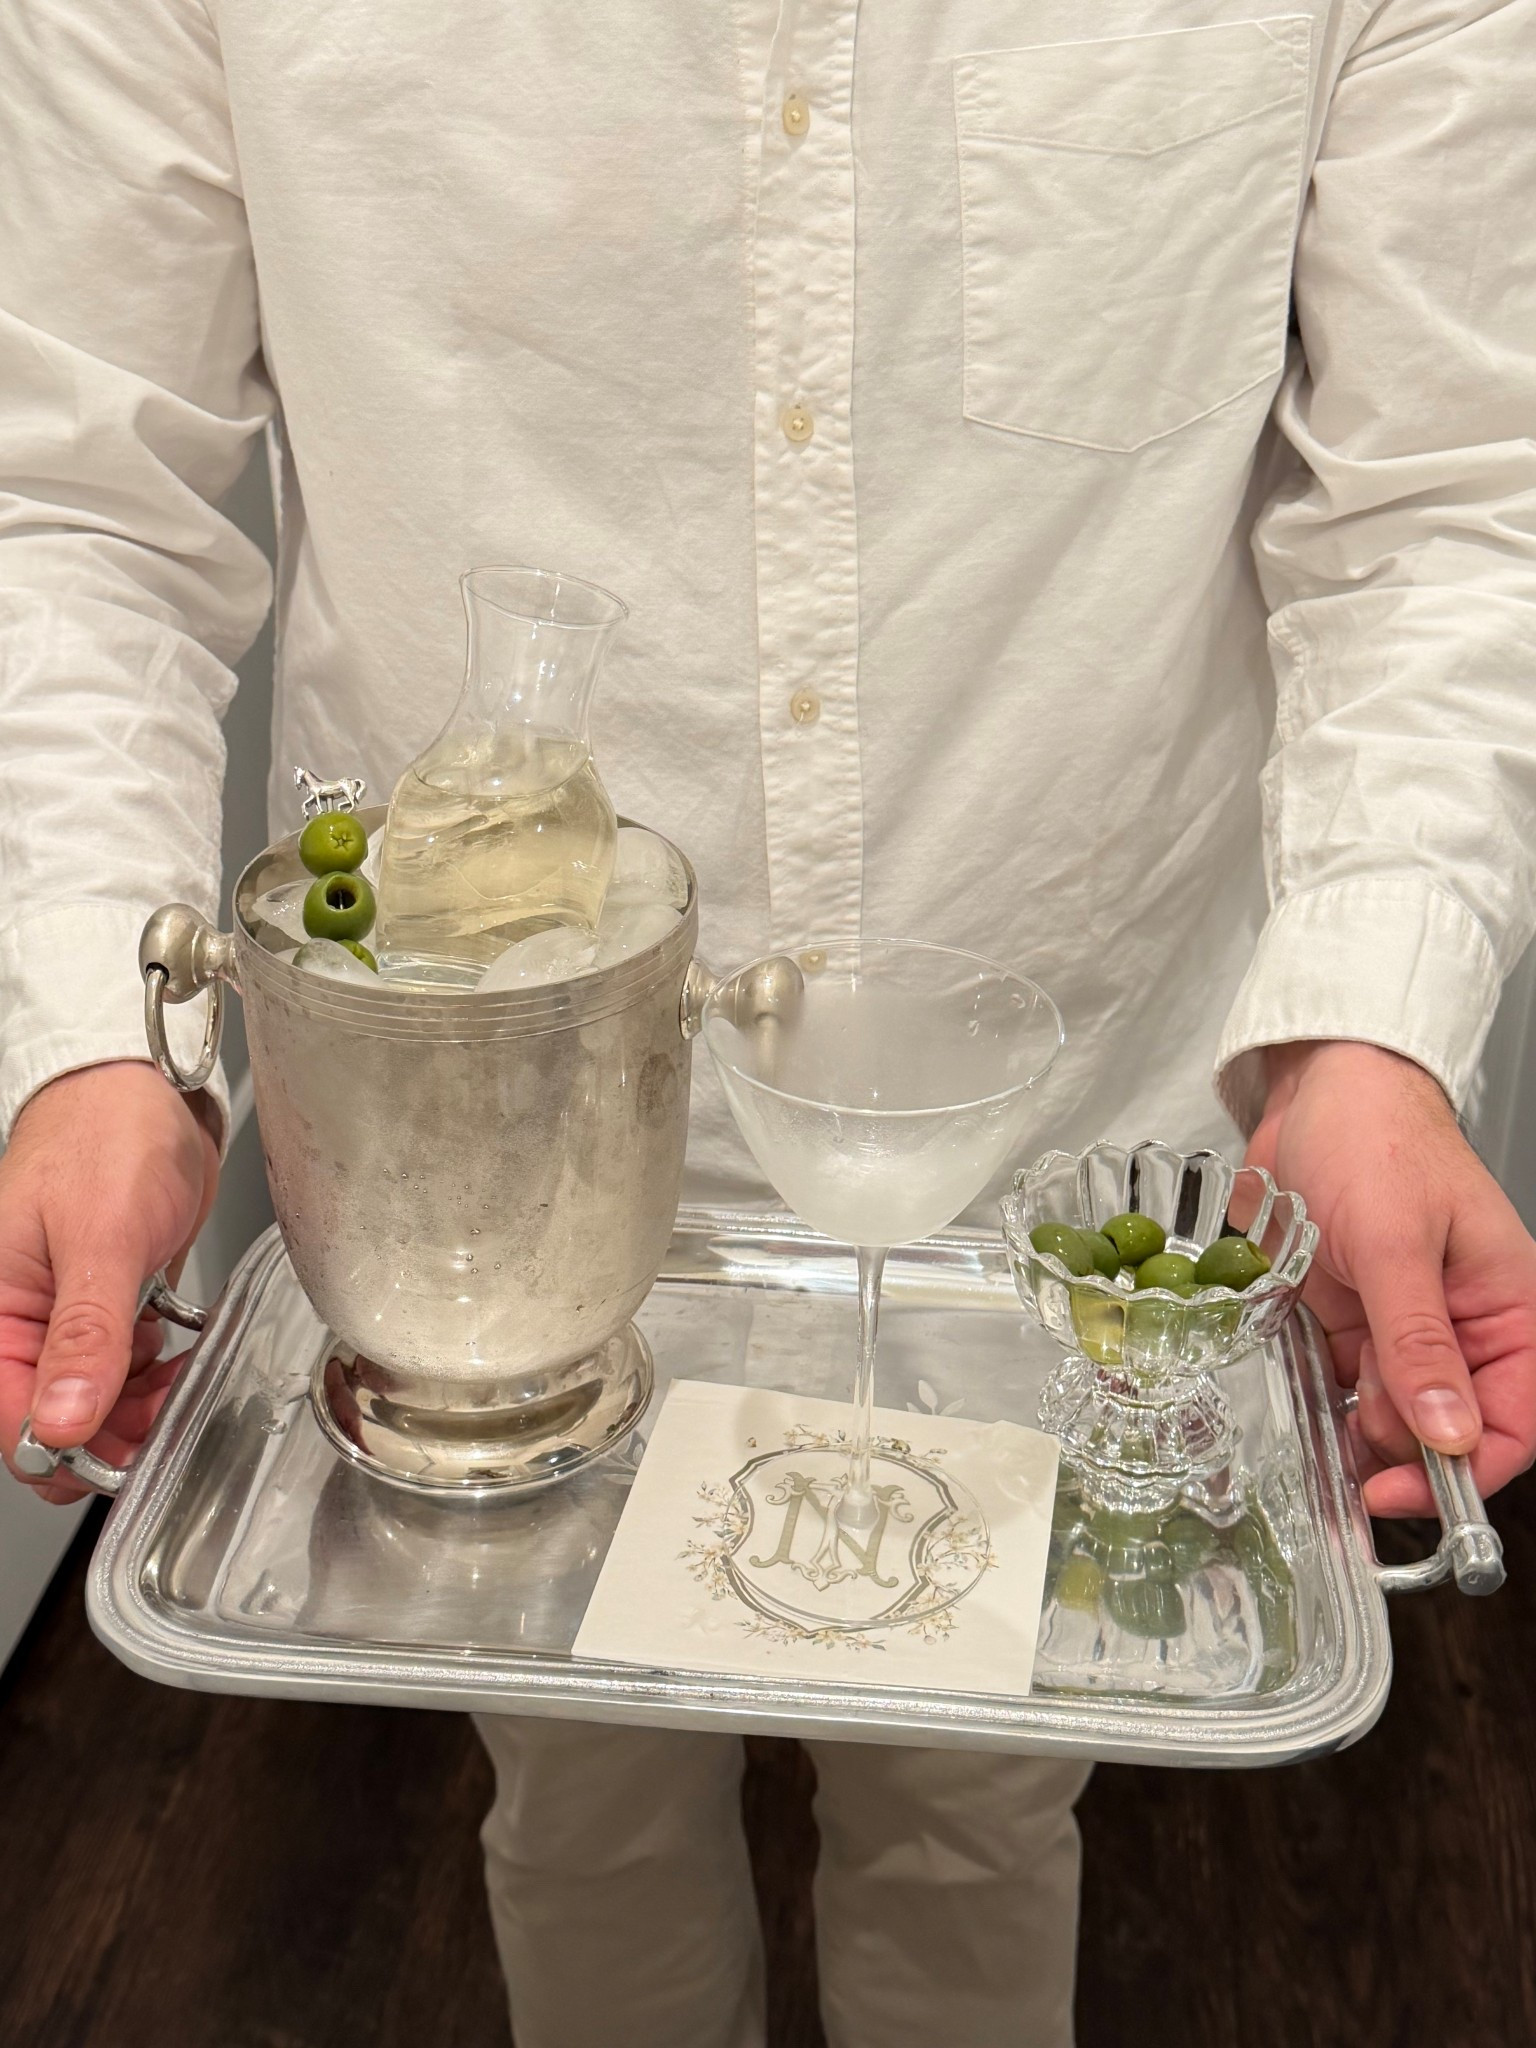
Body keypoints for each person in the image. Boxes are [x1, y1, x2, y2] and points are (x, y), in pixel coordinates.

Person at [2, 2, 1534, 2043]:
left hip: (1054, 1115)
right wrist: (104, 1030)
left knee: (987, 1790)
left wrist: (1371, 1022)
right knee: (574, 1792)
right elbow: (85, 496)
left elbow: (1444, 498)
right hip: (477, 1132)